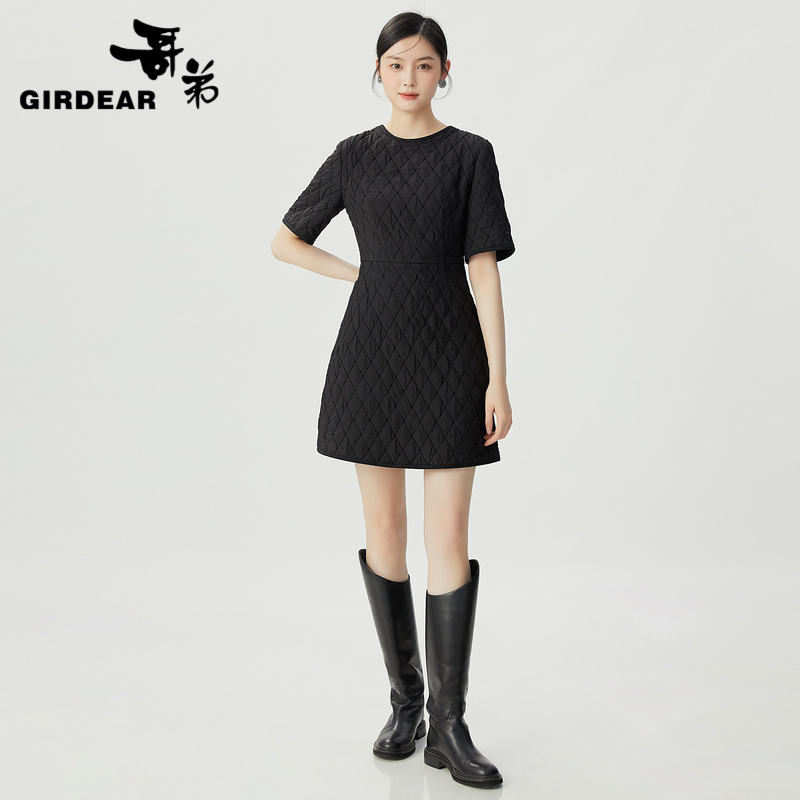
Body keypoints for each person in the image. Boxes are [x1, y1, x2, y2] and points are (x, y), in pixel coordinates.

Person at [271, 12, 515, 790]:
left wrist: (498, 377)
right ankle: (406, 705)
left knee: (449, 535)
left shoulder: (470, 154)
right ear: (377, 71)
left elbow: (484, 269)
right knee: (383, 529)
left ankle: (450, 725)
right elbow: (285, 240)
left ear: (446, 71)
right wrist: (364, 277)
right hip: (371, 357)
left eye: (424, 64)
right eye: (396, 64)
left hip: (451, 357)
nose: (410, 78)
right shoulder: (353, 156)